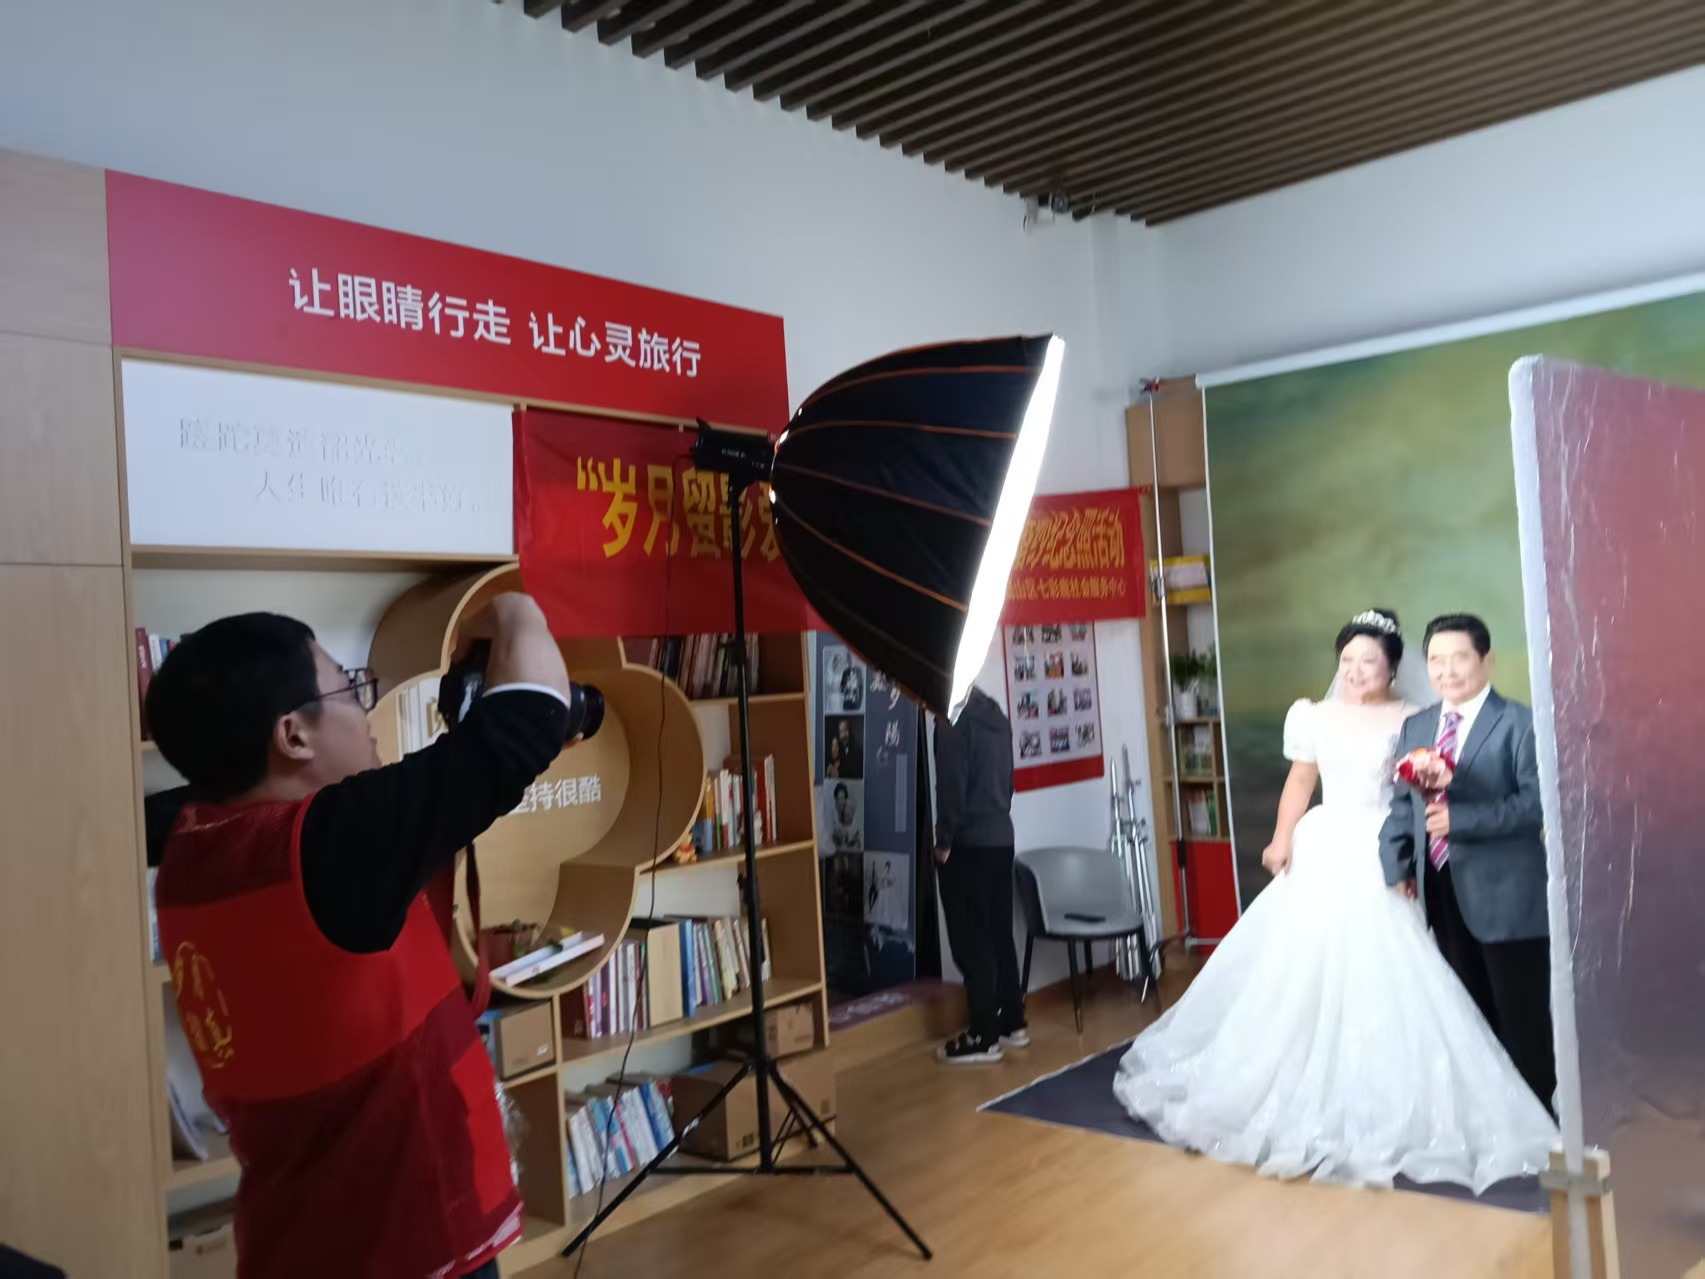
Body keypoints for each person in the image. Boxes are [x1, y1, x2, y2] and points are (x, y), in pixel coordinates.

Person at [145, 596, 573, 1279]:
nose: (366, 712)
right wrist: (514, 611)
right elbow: (529, 720)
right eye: (348, 689)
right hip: (408, 1240)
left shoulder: (191, 849)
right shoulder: (329, 848)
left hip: (296, 1235)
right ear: (293, 735)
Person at [1113, 610, 1556, 1189]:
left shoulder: (1432, 719)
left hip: (1409, 860)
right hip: (1334, 850)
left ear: (1393, 668)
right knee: (1311, 975)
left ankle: (1526, 1103)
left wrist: (1409, 853)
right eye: (1347, 660)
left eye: (1368, 661)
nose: (1355, 670)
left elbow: (1442, 801)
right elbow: (1309, 784)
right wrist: (1287, 842)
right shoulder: (1333, 717)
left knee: (1449, 988)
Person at [1380, 614, 1556, 1110]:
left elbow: (1537, 805)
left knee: (1522, 1020)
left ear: (1487, 660)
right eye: (1436, 660)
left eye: (1459, 658)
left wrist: (1462, 820)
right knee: (1468, 1017)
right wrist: (1397, 863)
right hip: (1440, 889)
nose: (1447, 670)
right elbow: (1402, 804)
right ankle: (1492, 1118)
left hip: (1508, 897)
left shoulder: (1521, 723)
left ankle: (1539, 1122)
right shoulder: (1417, 725)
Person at [932, 684, 1025, 1064]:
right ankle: (1013, 1022)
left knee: (972, 940)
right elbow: (1009, 783)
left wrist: (943, 841)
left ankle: (983, 1035)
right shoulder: (996, 714)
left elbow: (951, 786)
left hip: (968, 844)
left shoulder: (952, 719)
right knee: (1000, 934)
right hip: (1002, 838)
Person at [828, 781, 863, 851]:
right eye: (840, 798)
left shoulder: (848, 812)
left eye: (843, 798)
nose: (842, 802)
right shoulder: (831, 813)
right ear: (835, 799)